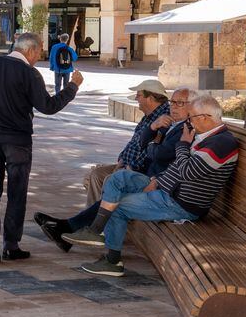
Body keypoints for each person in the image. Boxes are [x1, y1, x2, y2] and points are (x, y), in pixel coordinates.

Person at [61, 94, 239, 277]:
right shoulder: (206, 136)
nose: (189, 121)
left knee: (118, 206)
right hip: (166, 188)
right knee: (118, 178)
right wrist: (158, 180)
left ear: (204, 118)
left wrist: (183, 145)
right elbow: (178, 168)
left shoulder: (222, 143)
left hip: (180, 204)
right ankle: (95, 231)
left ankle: (112, 262)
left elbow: (187, 172)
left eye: (191, 117)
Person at [0, 31, 83, 262]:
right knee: (16, 194)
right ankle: (11, 245)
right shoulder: (29, 73)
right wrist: (72, 87)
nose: (39, 57)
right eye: (39, 52)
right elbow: (48, 106)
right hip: (18, 142)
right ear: (30, 50)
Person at [35, 85, 194, 251]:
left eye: (180, 103)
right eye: (173, 102)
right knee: (108, 180)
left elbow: (159, 153)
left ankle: (82, 232)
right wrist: (154, 128)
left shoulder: (185, 129)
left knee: (116, 191)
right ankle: (77, 229)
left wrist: (151, 146)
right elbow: (142, 142)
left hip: (157, 182)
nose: (173, 106)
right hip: (149, 175)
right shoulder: (169, 123)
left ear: (192, 106)